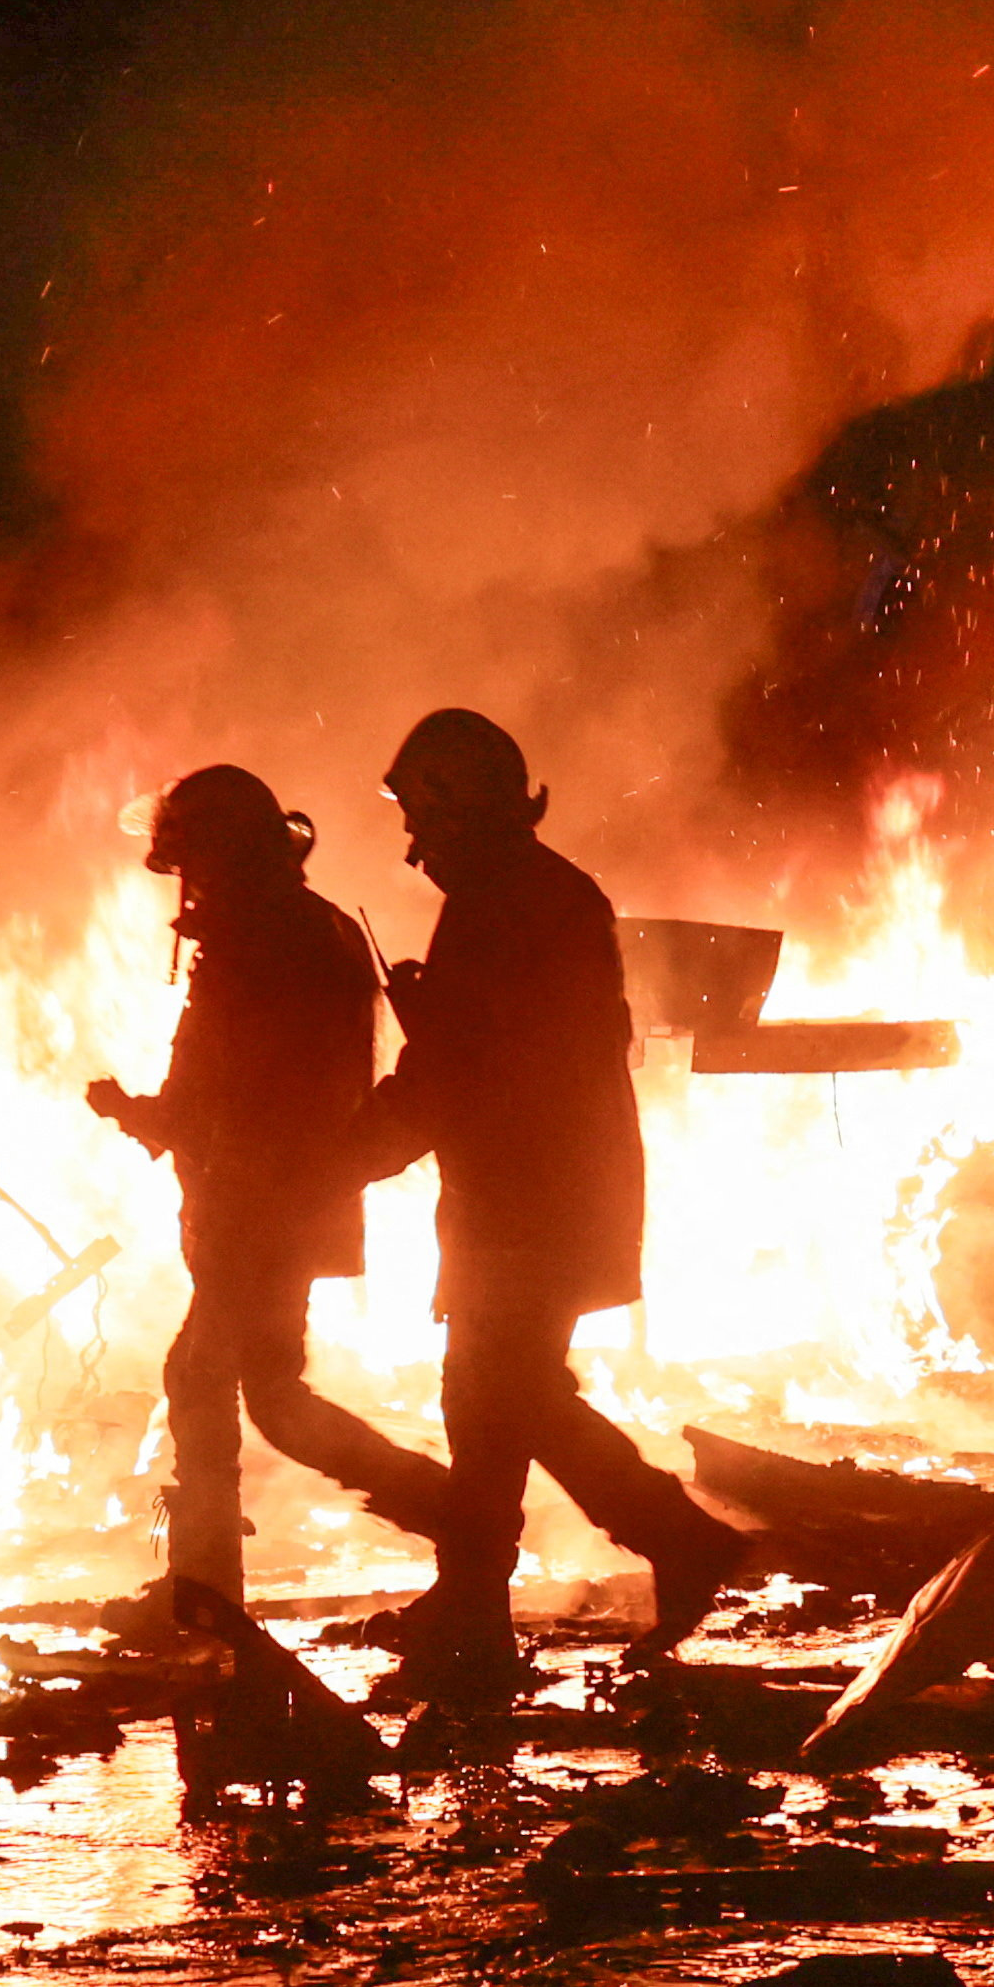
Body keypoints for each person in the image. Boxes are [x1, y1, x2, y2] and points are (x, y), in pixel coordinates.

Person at [349, 707, 739, 1688]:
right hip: (539, 1193)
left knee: (506, 1393)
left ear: (460, 806)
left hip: (534, 1201)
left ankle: (678, 1542)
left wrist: (356, 1149)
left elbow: (472, 1067)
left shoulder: (504, 901)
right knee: (489, 1398)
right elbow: (495, 1045)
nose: (411, 844)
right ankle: (473, 1601)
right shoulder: (528, 891)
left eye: (421, 817)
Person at [85, 764, 455, 1612]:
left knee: (205, 1378)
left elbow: (230, 1098)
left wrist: (135, 1113)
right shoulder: (302, 926)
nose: (187, 884)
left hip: (260, 1205)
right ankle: (453, 1517)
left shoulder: (259, 942)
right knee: (272, 1395)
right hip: (285, 1198)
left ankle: (206, 1586)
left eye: (193, 863)